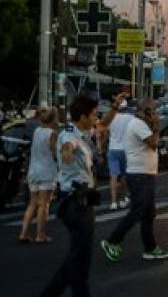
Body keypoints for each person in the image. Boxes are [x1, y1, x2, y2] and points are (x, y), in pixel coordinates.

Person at [40, 94, 100, 297]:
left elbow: (103, 126)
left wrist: (116, 108)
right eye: (94, 115)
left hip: (81, 201)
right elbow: (67, 147)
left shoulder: (82, 132)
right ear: (83, 117)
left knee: (78, 256)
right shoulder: (69, 136)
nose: (96, 118)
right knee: (80, 259)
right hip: (76, 203)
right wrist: (65, 154)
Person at [100, 100, 168, 263]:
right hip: (139, 175)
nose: (154, 113)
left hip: (146, 173)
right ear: (143, 111)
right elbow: (153, 143)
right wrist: (156, 124)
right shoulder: (138, 124)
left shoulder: (140, 124)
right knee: (138, 211)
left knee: (148, 213)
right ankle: (112, 241)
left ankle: (150, 248)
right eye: (152, 111)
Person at [19, 107, 58, 244]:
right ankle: (40, 235)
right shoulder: (52, 133)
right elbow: (54, 154)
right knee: (44, 205)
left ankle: (24, 233)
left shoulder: (37, 131)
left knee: (32, 204)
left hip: (33, 171)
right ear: (53, 120)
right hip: (46, 171)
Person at [102, 94, 132, 211]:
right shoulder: (130, 118)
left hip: (112, 149)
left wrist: (103, 147)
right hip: (125, 149)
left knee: (113, 176)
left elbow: (105, 135)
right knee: (124, 176)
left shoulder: (111, 118)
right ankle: (124, 198)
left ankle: (113, 202)